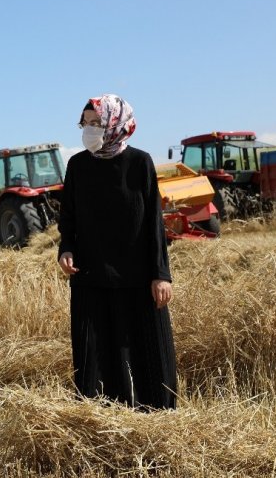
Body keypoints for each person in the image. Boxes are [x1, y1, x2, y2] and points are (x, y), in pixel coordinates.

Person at [57, 94, 177, 410]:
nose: (89, 130)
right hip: (91, 275)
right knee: (97, 354)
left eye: (96, 123)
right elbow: (67, 215)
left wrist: (160, 274)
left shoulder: (139, 163)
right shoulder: (77, 166)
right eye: (85, 123)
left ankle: (155, 414)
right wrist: (66, 247)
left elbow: (154, 222)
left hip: (137, 277)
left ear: (115, 124)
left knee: (144, 350)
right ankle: (100, 415)